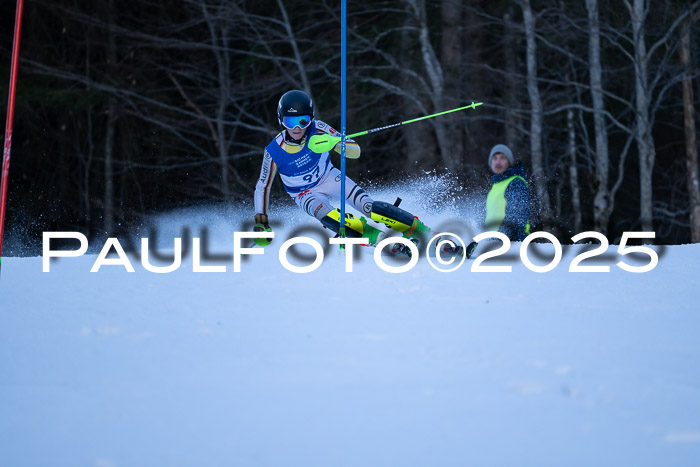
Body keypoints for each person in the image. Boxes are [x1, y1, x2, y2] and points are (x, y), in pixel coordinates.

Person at [253, 89, 429, 250]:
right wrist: (261, 220)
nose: (297, 128)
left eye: (302, 120)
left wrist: (335, 141)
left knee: (369, 207)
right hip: (303, 193)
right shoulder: (274, 151)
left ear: (311, 118)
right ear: (280, 120)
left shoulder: (319, 128)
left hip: (329, 177)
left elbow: (355, 151)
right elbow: (263, 186)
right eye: (290, 122)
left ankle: (416, 228)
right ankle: (375, 237)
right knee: (328, 216)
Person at [484, 144, 531, 241]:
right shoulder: (495, 186)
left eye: (502, 158)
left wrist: (502, 237)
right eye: (495, 158)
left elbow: (517, 215)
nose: (498, 162)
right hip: (494, 242)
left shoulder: (516, 182)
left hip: (514, 241)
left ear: (509, 162)